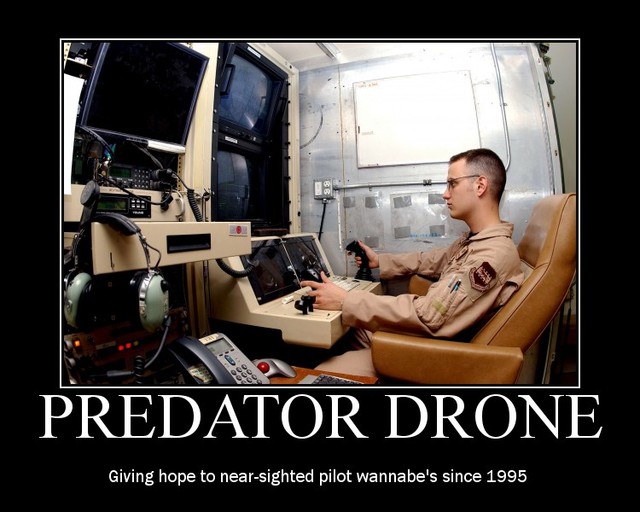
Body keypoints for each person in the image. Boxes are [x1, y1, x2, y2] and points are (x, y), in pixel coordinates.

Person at [300, 148, 525, 377]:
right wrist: (380, 261)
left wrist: (345, 300)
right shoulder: (476, 241)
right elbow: (431, 260)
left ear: (480, 186)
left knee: (318, 376)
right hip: (430, 339)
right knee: (352, 329)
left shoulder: (490, 257)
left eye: (452, 184)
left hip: (434, 354)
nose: (445, 194)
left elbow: (430, 314)